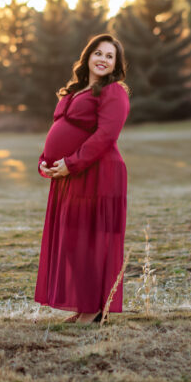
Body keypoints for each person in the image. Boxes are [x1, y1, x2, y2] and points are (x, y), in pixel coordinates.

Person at [35, 33, 130, 324]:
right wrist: (44, 162)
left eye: (109, 56)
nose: (103, 59)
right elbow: (59, 129)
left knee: (90, 243)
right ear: (88, 56)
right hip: (70, 175)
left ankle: (92, 310)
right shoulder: (75, 90)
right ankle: (85, 307)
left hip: (97, 174)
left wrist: (71, 164)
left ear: (115, 64)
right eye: (98, 53)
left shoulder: (113, 92)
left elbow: (105, 136)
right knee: (73, 242)